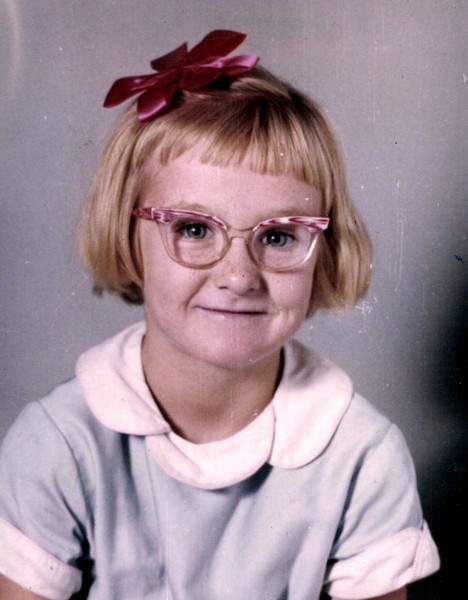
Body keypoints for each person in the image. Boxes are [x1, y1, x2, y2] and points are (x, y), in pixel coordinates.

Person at [0, 30, 439, 600]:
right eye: (193, 228)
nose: (239, 275)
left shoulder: (362, 454)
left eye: (278, 236)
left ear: (325, 251)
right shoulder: (58, 443)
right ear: (128, 236)